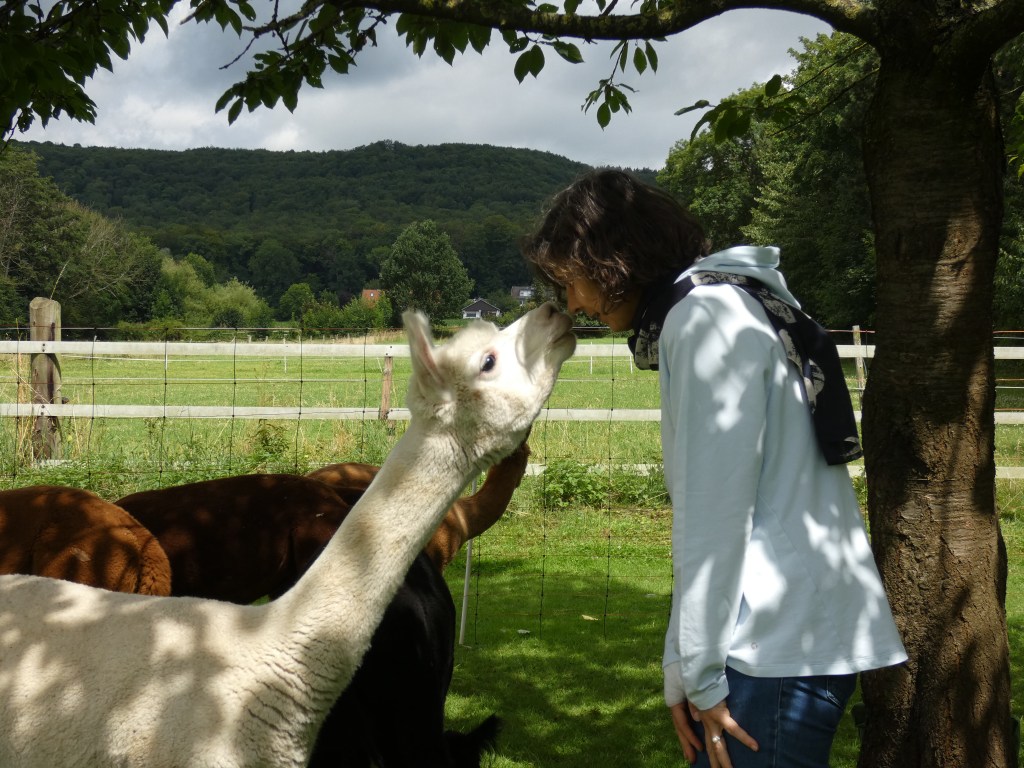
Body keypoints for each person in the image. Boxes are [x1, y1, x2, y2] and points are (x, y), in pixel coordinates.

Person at [522, 169, 907, 768]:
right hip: (775, 640)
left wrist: (701, 676)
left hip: (773, 649)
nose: (572, 303)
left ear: (611, 261)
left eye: (571, 282)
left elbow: (715, 519)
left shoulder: (704, 321)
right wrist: (684, 667)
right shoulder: (727, 301)